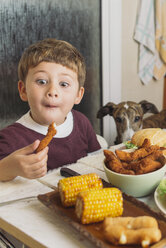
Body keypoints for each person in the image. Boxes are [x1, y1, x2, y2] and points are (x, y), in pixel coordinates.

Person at [0, 38, 101, 182]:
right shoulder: (10, 138)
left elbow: (97, 162)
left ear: (78, 95)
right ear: (23, 90)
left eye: (64, 84)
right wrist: (9, 168)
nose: (53, 91)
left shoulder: (82, 123)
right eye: (42, 81)